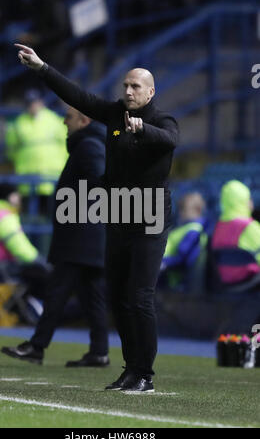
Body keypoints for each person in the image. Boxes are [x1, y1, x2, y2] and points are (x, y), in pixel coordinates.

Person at [13, 43, 179, 392]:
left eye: (136, 86)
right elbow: (80, 96)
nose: (129, 91)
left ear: (151, 92)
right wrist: (42, 67)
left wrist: (142, 130)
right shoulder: (115, 114)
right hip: (119, 216)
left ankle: (145, 374)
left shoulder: (162, 120)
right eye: (126, 86)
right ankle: (131, 369)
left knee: (140, 296)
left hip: (149, 217)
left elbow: (169, 140)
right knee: (117, 297)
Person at [1, 106, 109, 367]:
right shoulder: (90, 144)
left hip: (80, 238)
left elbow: (99, 185)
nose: (64, 121)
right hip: (87, 238)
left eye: (70, 117)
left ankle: (37, 347)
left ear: (84, 120)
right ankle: (99, 352)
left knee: (57, 292)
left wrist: (77, 212)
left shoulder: (89, 146)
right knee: (91, 297)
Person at [0, 183, 51, 309]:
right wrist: (40, 260)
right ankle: (20, 309)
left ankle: (18, 308)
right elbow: (19, 248)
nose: (20, 198)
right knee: (46, 275)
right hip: (0, 268)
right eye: (17, 195)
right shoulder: (5, 218)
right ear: (11, 197)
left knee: (37, 276)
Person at [5, 89, 68, 212]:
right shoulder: (19, 123)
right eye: (29, 103)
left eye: (34, 102)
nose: (32, 106)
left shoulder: (54, 120)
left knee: (53, 215)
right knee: (30, 218)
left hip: (51, 178)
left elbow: (67, 143)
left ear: (41, 102)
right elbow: (11, 149)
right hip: (27, 180)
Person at [211, 180, 260, 285]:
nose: (251, 202)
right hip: (250, 281)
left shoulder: (218, 226)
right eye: (248, 198)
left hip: (224, 282)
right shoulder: (250, 226)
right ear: (243, 201)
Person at [160, 192, 208, 291]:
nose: (181, 213)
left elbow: (183, 258)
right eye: (180, 209)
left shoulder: (193, 231)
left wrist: (162, 263)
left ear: (197, 210)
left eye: (184, 210)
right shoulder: (188, 228)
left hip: (173, 279)